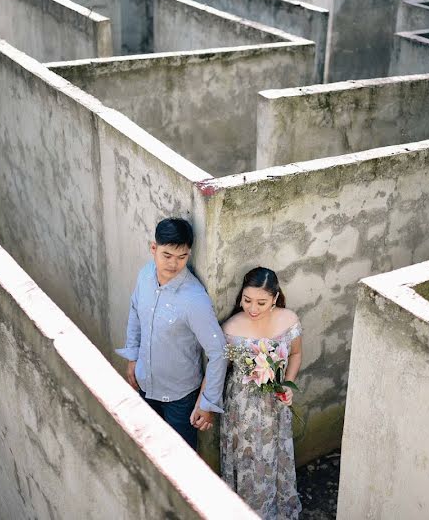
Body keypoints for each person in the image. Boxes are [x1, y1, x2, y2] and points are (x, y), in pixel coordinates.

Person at [116, 218, 227, 449]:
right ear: (153, 248)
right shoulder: (145, 274)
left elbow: (218, 352)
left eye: (182, 257)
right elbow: (135, 310)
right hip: (145, 385)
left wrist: (207, 404)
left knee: (181, 464)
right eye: (167, 255)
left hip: (180, 400)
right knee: (147, 451)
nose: (173, 264)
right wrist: (132, 358)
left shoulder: (195, 299)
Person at [220, 267, 303, 520]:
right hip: (241, 407)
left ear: (275, 298)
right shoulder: (231, 329)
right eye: (247, 300)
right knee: (247, 460)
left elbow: (296, 354)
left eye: (261, 302)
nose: (253, 309)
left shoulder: (289, 320)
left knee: (273, 456)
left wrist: (288, 385)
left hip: (275, 403)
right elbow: (222, 367)